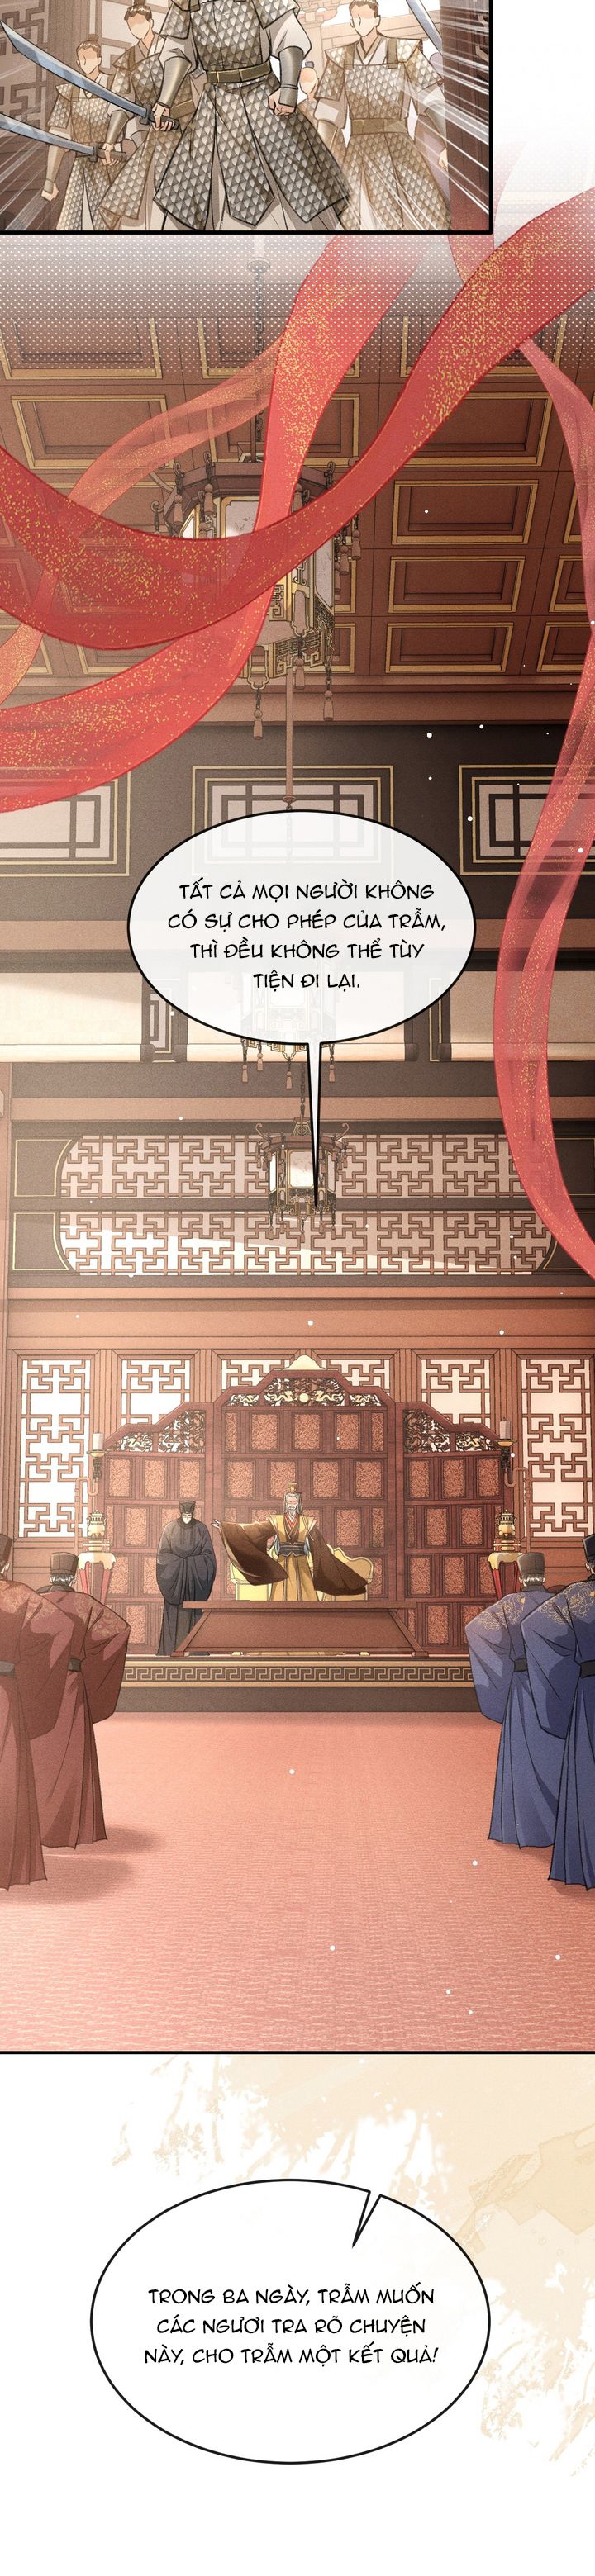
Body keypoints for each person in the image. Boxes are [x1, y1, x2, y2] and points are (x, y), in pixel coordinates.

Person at [150, 0, 349, 232]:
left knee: (298, 182)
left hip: (263, 100)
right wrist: (164, 101)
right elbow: (178, 53)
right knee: (192, 191)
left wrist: (288, 88)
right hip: (215, 103)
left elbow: (288, 36)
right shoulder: (185, 3)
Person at [311, 0, 450, 232]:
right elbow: (328, 113)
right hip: (359, 146)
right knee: (354, 214)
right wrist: (319, 155)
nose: (359, 23)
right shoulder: (340, 57)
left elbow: (432, 101)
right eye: (354, 18)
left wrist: (448, 143)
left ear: (376, 19)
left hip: (399, 142)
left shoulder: (404, 51)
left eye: (364, 17)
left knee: (427, 205)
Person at [465, 1551, 565, 1848]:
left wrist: (505, 1668)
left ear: (521, 1576)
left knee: (523, 1757)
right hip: (554, 1685)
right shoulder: (558, 1604)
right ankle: (561, 1827)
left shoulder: (510, 1605)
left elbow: (475, 1630)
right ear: (543, 1576)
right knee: (556, 1754)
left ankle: (527, 1829)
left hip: (522, 1687)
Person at [31, 1554, 130, 1848]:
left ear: (51, 1575)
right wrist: (90, 1662)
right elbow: (119, 1630)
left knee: (38, 1756)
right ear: (73, 1577)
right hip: (71, 1685)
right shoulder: (84, 1604)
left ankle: (35, 1827)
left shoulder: (35, 1602)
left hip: (41, 1685)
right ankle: (70, 1828)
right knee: (71, 1757)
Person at [0, 1533, 72, 1891]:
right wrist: (28, 1670)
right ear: (5, 1565)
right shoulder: (20, 1597)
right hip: (5, 1690)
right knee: (6, 1771)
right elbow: (62, 1628)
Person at [524, 1532, 595, 1888]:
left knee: (588, 1773)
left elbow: (534, 1627)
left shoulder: (573, 1598)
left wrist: (565, 1672)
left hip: (588, 1689)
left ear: (588, 1563)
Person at [101, 5, 195, 232]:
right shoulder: (127, 61)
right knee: (143, 191)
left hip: (189, 126)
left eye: (140, 23)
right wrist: (110, 141)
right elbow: (121, 104)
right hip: (157, 133)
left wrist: (167, 105)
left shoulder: (172, 44)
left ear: (151, 22)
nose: (136, 29)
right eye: (131, 26)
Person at [220, 1477, 368, 1602]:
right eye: (289, 1502)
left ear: (298, 1503)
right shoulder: (276, 1521)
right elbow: (255, 1529)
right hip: (283, 1561)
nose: (291, 1505)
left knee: (306, 1592)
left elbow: (320, 1548)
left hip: (301, 1562)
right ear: (286, 1503)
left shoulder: (308, 1522)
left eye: (294, 1502)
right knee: (280, 1594)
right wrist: (226, 1527)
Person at [40, 35, 120, 229]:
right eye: (82, 59)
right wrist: (49, 180)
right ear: (77, 62)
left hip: (111, 163)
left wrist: (119, 147)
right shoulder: (69, 91)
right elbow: (58, 139)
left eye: (90, 57)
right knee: (72, 225)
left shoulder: (115, 85)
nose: (85, 62)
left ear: (99, 59)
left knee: (110, 224)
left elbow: (129, 123)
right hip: (81, 164)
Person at [156, 1498, 217, 1654]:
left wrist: (189, 1565)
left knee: (195, 1612)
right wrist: (181, 1565)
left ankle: (197, 1651)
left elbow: (209, 1557)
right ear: (181, 1513)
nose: (187, 1517)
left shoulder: (201, 1529)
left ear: (193, 1513)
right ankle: (171, 1649)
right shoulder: (170, 1528)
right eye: (185, 1515)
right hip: (175, 1582)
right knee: (174, 1615)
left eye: (190, 1515)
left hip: (194, 1584)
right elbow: (163, 1556)